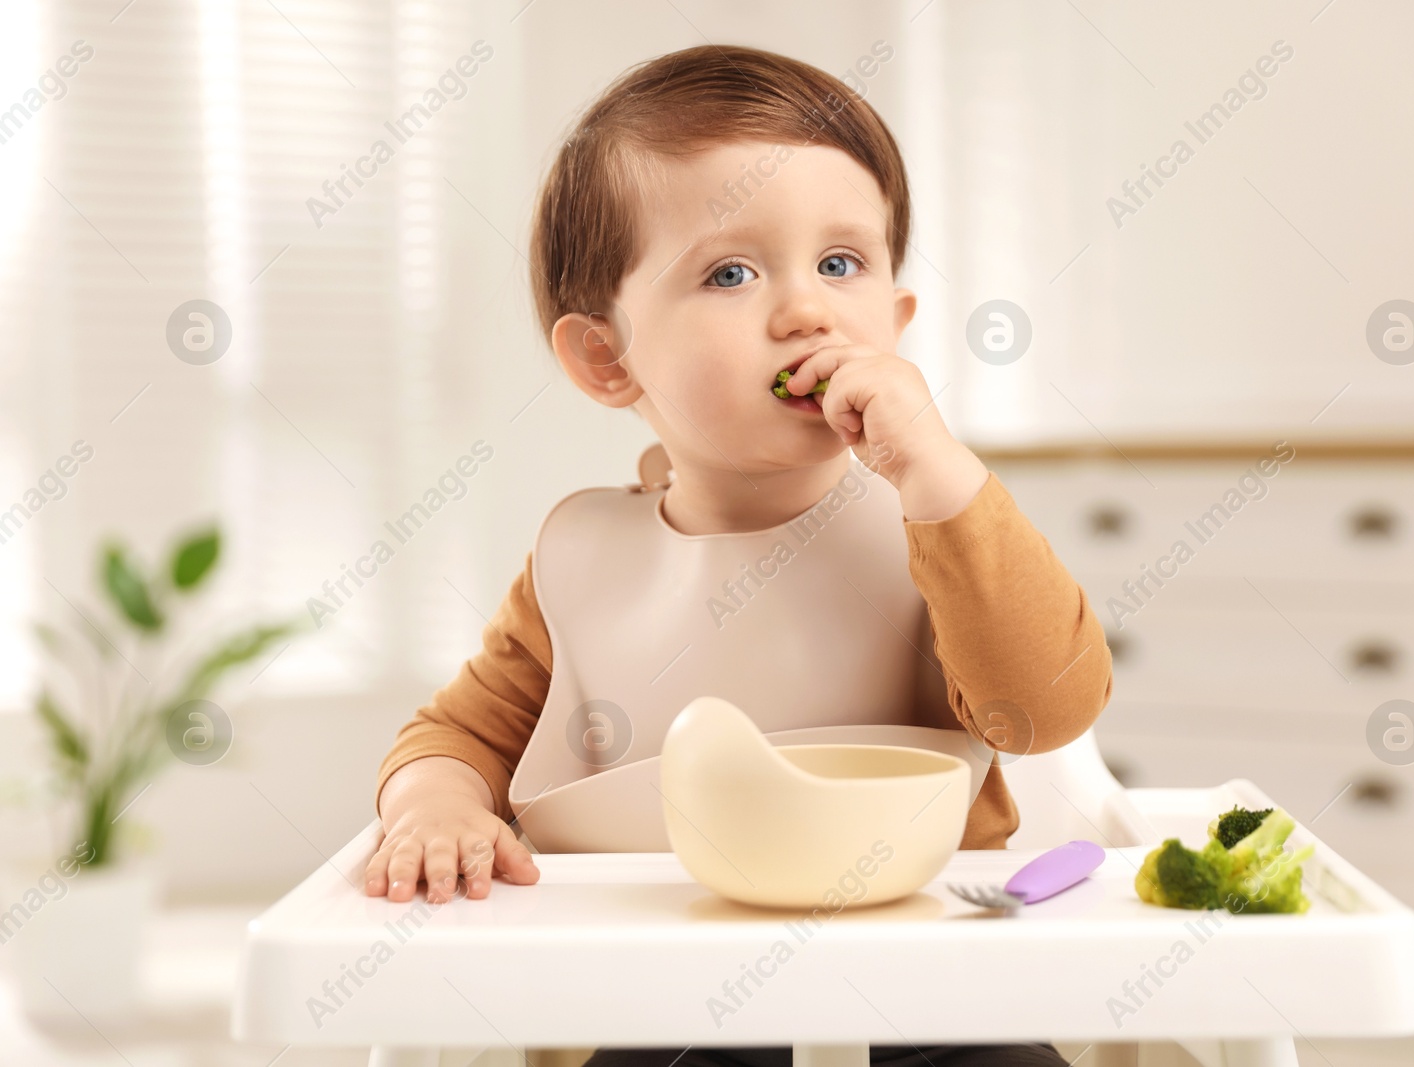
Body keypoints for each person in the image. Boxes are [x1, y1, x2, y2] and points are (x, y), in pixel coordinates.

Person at [367, 42, 1113, 1067]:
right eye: (729, 271)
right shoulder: (583, 564)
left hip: (935, 1003)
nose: (805, 309)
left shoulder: (937, 529)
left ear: (894, 323)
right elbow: (458, 731)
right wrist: (436, 804)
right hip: (675, 1012)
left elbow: (1049, 704)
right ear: (606, 357)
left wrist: (939, 473)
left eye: (840, 263)